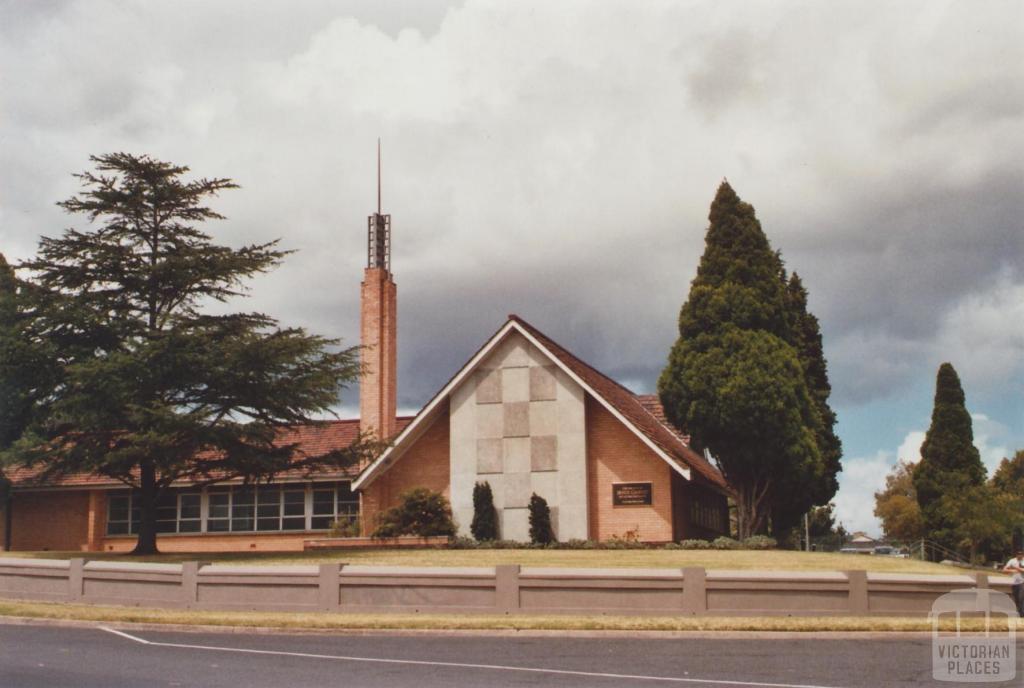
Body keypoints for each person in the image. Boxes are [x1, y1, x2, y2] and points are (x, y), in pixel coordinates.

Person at [1003, 550, 1024, 616]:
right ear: (1016, 554)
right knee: (1016, 599)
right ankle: (1019, 614)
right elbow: (1004, 570)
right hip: (1014, 583)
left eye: (1021, 554)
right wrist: (1012, 570)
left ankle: (1022, 614)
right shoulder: (1012, 561)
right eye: (1018, 554)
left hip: (1022, 582)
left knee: (1021, 598)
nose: (1019, 555)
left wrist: (1015, 567)